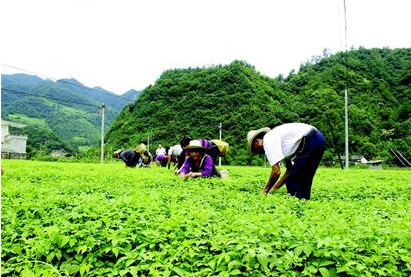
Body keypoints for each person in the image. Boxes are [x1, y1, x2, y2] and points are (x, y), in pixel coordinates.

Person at [247, 123, 325, 200]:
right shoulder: (277, 142)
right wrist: (274, 188)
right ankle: (302, 203)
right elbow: (289, 170)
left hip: (310, 140)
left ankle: (298, 206)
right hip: (318, 138)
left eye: (254, 149)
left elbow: (276, 172)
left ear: (256, 142)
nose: (257, 152)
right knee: (303, 178)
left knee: (295, 179)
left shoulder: (268, 140)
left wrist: (265, 191)